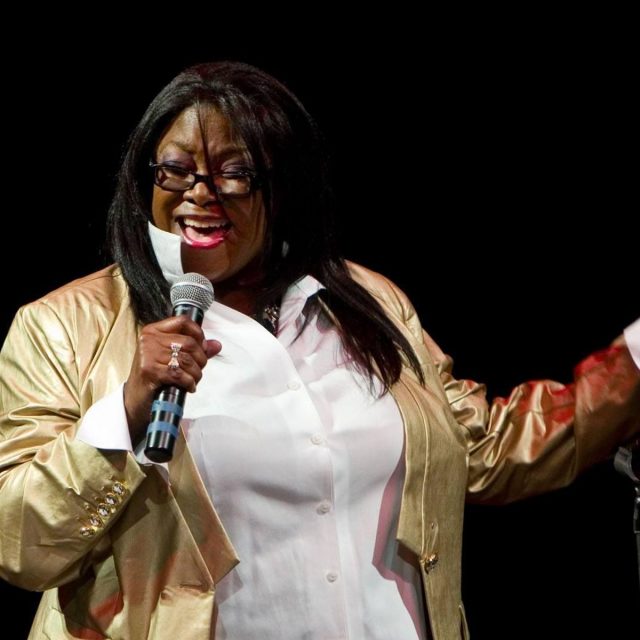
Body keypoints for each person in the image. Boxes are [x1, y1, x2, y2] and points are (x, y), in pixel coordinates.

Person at [0, 60, 638, 640]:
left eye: (234, 172)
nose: (198, 192)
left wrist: (631, 365)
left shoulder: (368, 302)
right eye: (174, 169)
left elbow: (481, 449)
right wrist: (125, 412)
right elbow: (21, 544)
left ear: (287, 185)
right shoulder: (65, 327)